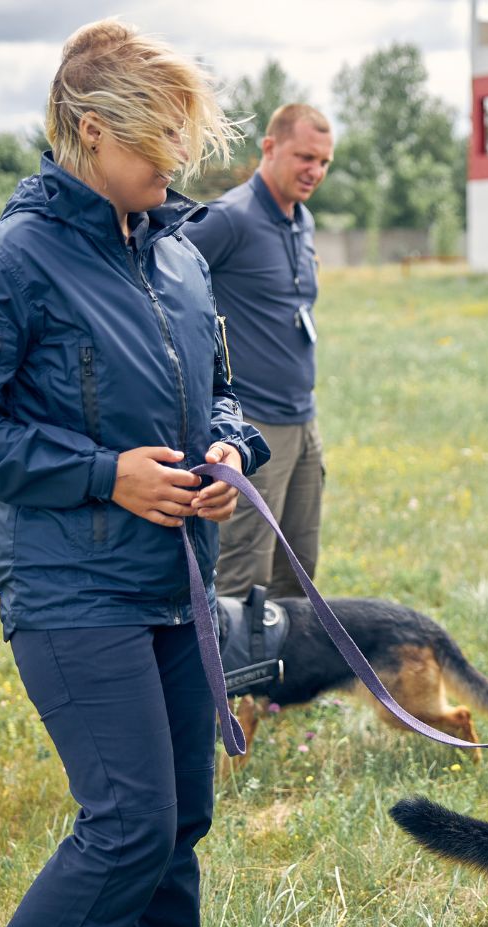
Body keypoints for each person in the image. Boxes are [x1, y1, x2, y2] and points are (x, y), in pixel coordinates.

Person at [0, 19, 271, 927]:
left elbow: (226, 392)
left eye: (180, 148)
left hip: (177, 582)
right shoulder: (6, 263)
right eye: (152, 147)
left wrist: (227, 448)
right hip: (71, 587)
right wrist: (102, 473)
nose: (171, 169)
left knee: (179, 823)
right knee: (127, 826)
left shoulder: (175, 252)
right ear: (83, 131)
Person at [182, 103, 334, 600]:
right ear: (269, 148)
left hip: (303, 422)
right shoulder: (230, 219)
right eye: (305, 157)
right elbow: (161, 278)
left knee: (299, 570)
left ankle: (282, 679)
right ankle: (232, 679)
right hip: (252, 426)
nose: (315, 171)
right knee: (244, 576)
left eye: (324, 162)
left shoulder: (302, 221)